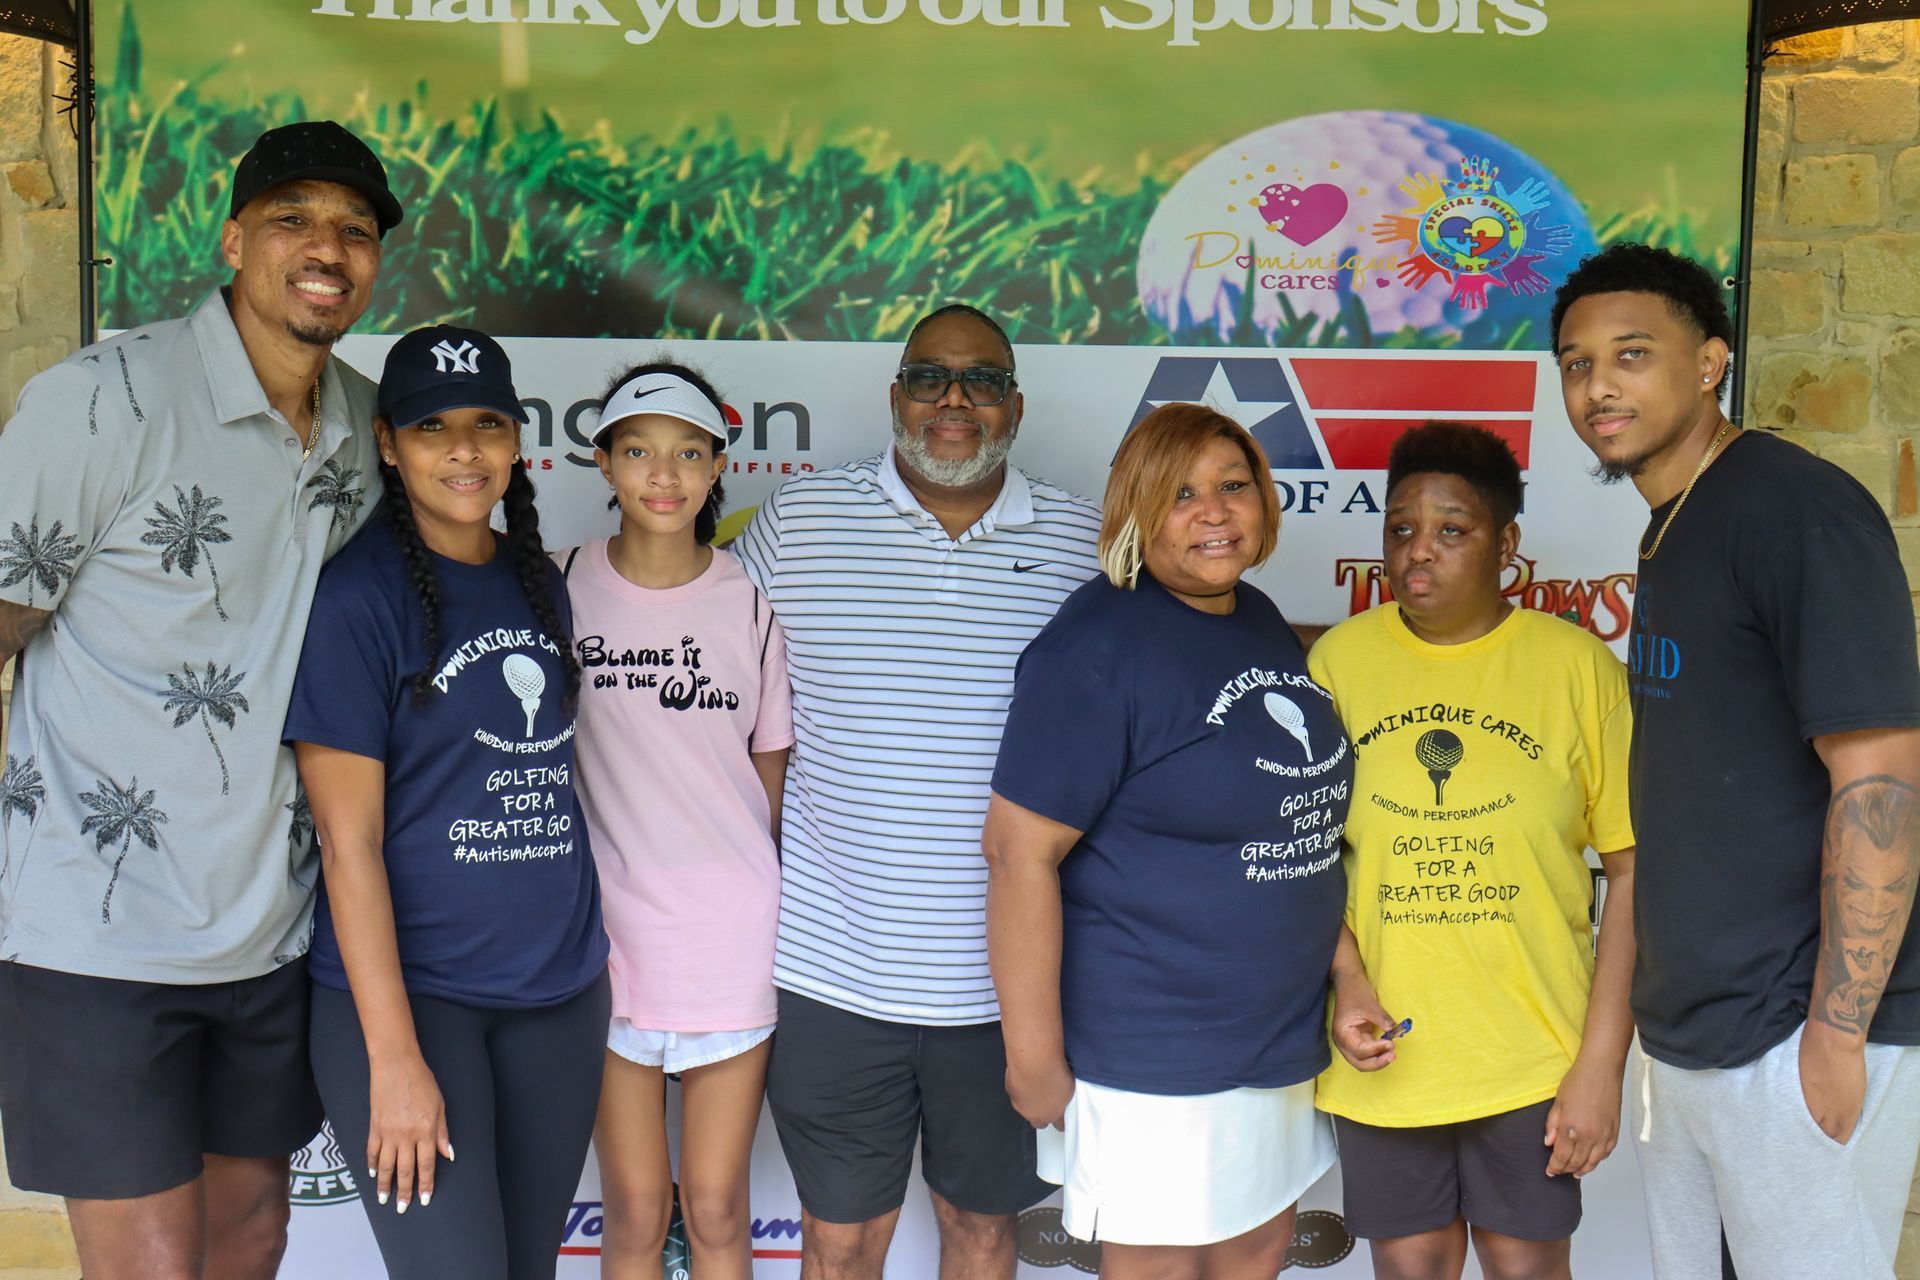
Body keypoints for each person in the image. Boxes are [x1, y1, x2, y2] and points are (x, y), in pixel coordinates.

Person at [0, 120, 399, 1280]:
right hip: (98, 933)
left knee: (255, 1240)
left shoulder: (366, 435)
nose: (326, 247)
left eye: (354, 230)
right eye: (293, 219)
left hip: (270, 930)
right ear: (232, 239)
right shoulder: (102, 399)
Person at [1552, 243, 1920, 1280]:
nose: (1599, 385)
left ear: (1711, 361)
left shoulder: (1794, 511)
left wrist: (1836, 1034)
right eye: (1577, 363)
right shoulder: (1679, 522)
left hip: (1794, 1030)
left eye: (1632, 353)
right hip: (1701, 1028)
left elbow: (1882, 774)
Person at [731, 303, 1102, 1280]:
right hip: (828, 975)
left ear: (1013, 405)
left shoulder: (1084, 546)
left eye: (981, 379)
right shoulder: (800, 522)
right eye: (931, 376)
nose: (954, 398)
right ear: (896, 395)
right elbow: (700, 682)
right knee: (842, 1243)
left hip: (1006, 992)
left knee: (982, 1233)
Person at [984, 401, 1351, 1280]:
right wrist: (1033, 1056)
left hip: (1273, 1040)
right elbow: (1016, 853)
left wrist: (1347, 976)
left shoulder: (1255, 618)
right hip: (1152, 1052)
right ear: (1137, 511)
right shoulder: (1097, 646)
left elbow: (1290, 833)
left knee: (1259, 1249)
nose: (1215, 512)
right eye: (1182, 493)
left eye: (1234, 486)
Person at [284, 326, 609, 1280]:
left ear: (517, 440)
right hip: (414, 1004)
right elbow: (349, 844)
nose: (464, 450)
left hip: (558, 991)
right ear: (388, 443)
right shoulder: (358, 600)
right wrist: (393, 1059)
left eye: (486, 425)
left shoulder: (537, 579)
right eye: (432, 427)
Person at [1308, 422, 1636, 1280]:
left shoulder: (1576, 668)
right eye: (1402, 529)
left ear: (1507, 543)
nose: (1420, 552)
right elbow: (1302, 859)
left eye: (1453, 530)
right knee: (1410, 1269)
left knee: (1527, 1269)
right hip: (1386, 1052)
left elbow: (1634, 873)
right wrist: (1347, 982)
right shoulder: (1340, 663)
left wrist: (1601, 1064)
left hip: (1531, 1057)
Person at [563, 360, 793, 1280]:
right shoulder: (554, 587)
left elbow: (765, 783)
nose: (664, 474)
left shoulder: (752, 603)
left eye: (687, 453)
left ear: (715, 469)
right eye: (641, 452)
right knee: (634, 1210)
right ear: (607, 465)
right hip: (603, 942)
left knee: (715, 1207)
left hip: (726, 940)